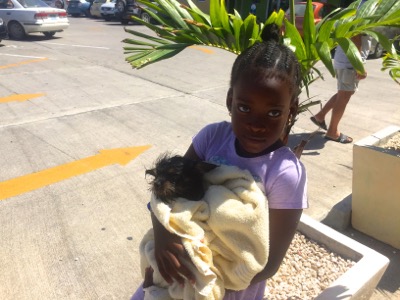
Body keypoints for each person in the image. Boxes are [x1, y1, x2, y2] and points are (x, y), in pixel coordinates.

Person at [131, 23, 308, 300]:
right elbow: (167, 187)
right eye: (244, 108)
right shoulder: (212, 137)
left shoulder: (285, 173)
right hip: (176, 272)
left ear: (291, 110)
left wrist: (202, 278)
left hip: (228, 288)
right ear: (230, 100)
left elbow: (268, 263)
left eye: (273, 112)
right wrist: (163, 236)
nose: (257, 125)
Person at [310, 0, 371, 144]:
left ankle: (320, 116)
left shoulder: (358, 5)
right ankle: (332, 132)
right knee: (344, 96)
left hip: (345, 60)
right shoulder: (366, 8)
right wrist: (359, 65)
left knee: (343, 93)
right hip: (350, 61)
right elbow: (355, 37)